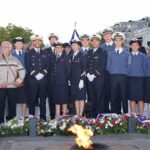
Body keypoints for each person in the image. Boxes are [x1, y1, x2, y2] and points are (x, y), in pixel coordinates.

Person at [0, 41, 25, 123]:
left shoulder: (15, 59)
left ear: (10, 49)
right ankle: (1, 124)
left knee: (12, 106)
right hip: (1, 86)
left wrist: (19, 80)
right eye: (2, 46)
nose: (4, 48)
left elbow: (22, 70)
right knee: (1, 106)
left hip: (12, 87)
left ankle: (11, 124)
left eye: (6, 47)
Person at [25, 35, 49, 120]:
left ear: (41, 42)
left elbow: (47, 65)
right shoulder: (28, 53)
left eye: (39, 41)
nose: (37, 42)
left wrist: (42, 74)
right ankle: (31, 119)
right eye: (35, 41)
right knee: (32, 100)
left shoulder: (45, 53)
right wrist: (35, 74)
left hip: (43, 80)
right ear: (33, 42)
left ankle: (43, 119)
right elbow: (28, 65)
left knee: (43, 100)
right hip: (32, 80)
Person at [107, 32, 129, 114]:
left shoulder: (127, 54)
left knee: (124, 96)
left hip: (123, 77)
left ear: (122, 41)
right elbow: (108, 67)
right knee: (113, 97)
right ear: (114, 41)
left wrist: (123, 72)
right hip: (113, 77)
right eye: (116, 40)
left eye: (120, 40)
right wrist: (114, 72)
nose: (118, 42)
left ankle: (126, 114)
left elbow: (129, 66)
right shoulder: (110, 54)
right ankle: (114, 114)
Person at [87, 34, 107, 117]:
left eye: (96, 41)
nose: (95, 42)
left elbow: (103, 66)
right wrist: (88, 74)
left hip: (99, 79)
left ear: (99, 42)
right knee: (91, 98)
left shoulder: (103, 52)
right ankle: (93, 116)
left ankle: (99, 116)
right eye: (93, 41)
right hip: (90, 79)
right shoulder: (89, 52)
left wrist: (94, 75)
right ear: (91, 42)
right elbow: (86, 64)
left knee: (100, 98)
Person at [50, 42, 71, 117]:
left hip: (63, 82)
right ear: (55, 49)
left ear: (62, 48)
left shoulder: (66, 57)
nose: (58, 49)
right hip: (55, 82)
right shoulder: (53, 57)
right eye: (57, 48)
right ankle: (58, 115)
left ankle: (64, 115)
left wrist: (68, 80)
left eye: (60, 47)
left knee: (64, 99)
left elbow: (68, 70)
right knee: (56, 100)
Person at [128, 38, 145, 115]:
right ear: (130, 46)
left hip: (140, 79)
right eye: (133, 45)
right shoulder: (128, 56)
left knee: (141, 98)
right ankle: (133, 115)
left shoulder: (142, 56)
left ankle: (141, 115)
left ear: (139, 46)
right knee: (132, 98)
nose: (134, 47)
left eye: (136, 45)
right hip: (130, 79)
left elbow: (144, 68)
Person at [11, 37, 27, 117]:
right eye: (17, 43)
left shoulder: (26, 54)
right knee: (14, 99)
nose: (19, 45)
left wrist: (23, 78)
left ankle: (23, 116)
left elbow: (27, 66)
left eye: (21, 43)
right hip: (13, 80)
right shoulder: (11, 54)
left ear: (23, 45)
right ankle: (15, 117)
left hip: (24, 79)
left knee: (24, 99)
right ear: (14, 45)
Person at [70, 39, 86, 116]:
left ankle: (81, 114)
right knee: (76, 97)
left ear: (79, 46)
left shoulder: (82, 55)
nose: (74, 46)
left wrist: (82, 80)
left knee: (81, 98)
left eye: (76, 45)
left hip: (80, 80)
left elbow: (84, 68)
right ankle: (77, 113)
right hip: (73, 80)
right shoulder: (70, 55)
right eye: (72, 45)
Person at [101, 28, 115, 113]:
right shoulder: (102, 47)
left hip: (114, 73)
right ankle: (106, 111)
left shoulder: (116, 45)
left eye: (109, 35)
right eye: (105, 35)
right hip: (105, 73)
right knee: (105, 93)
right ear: (103, 37)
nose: (107, 36)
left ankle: (115, 111)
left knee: (114, 94)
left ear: (111, 36)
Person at [45, 33, 58, 119]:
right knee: (50, 97)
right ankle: (52, 115)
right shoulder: (46, 51)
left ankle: (60, 114)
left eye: (54, 39)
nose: (53, 40)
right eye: (51, 39)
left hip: (60, 78)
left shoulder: (61, 49)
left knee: (60, 96)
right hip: (49, 78)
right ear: (49, 40)